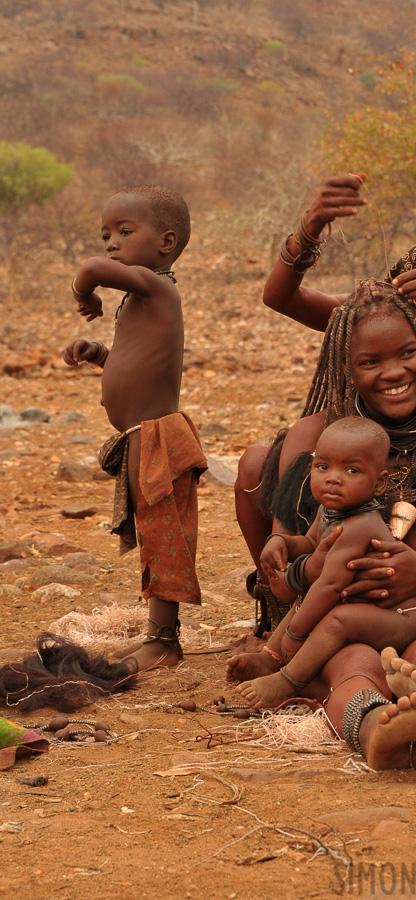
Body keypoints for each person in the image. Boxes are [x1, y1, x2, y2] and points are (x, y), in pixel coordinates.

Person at [230, 278, 416, 771]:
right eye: (370, 362)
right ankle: (376, 731)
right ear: (345, 369)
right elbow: (287, 571)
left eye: (407, 353)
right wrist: (311, 571)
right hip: (337, 617)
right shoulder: (321, 443)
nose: (392, 372)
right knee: (354, 669)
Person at [236, 174, 416, 650]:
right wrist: (311, 228)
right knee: (263, 458)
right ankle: (283, 606)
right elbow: (279, 297)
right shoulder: (365, 315)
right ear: (412, 264)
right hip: (353, 458)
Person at [62, 185, 207, 672]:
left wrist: (85, 293)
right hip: (142, 439)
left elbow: (91, 270)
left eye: (125, 231)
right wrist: (98, 353)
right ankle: (157, 635)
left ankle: (164, 642)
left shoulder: (157, 286)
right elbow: (138, 363)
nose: (111, 243)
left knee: (166, 539)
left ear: (165, 241)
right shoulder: (140, 300)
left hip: (160, 440)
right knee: (155, 538)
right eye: (106, 234)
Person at [233, 417, 416, 708]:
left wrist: (295, 633)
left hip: (402, 617)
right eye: (322, 467)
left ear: (379, 484)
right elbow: (311, 544)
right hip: (365, 604)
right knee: (309, 602)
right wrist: (282, 542)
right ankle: (269, 659)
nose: (332, 478)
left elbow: (329, 586)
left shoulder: (360, 524)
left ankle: (288, 681)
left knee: (336, 619)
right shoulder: (330, 509)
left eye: (351, 470)